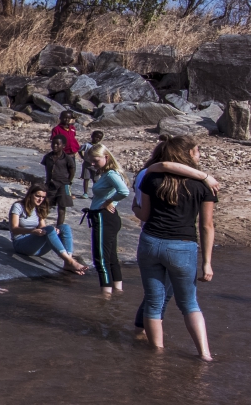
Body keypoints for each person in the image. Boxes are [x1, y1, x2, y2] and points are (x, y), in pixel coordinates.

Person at [133, 135, 218, 361]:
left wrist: (134, 207)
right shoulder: (203, 185)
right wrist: (207, 262)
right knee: (189, 303)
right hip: (181, 247)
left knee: (153, 301)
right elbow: (207, 225)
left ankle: (156, 356)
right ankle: (205, 354)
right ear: (189, 154)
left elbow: (144, 215)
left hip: (150, 243)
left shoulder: (151, 179)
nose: (199, 154)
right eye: (198, 151)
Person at [8, 185, 87, 274]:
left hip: (37, 247)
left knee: (65, 227)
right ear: (30, 195)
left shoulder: (39, 207)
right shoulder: (18, 206)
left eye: (43, 197)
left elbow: (43, 228)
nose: (40, 199)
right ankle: (71, 261)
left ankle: (67, 262)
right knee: (49, 229)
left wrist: (54, 231)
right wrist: (32, 231)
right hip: (21, 244)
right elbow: (14, 229)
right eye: (38, 196)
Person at [86, 145, 130, 294]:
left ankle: (106, 296)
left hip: (103, 217)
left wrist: (109, 201)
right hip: (106, 217)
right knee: (111, 258)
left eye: (95, 160)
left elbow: (124, 191)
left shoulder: (111, 174)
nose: (92, 164)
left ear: (106, 157)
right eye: (90, 161)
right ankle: (118, 292)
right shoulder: (108, 173)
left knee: (101, 258)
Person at [42, 136, 77, 226]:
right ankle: (41, 225)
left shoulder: (67, 158)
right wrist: (47, 181)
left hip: (63, 185)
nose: (55, 146)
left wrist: (69, 182)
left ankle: (59, 227)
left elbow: (72, 170)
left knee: (62, 208)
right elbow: (47, 169)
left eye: (58, 144)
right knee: (46, 205)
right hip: (51, 185)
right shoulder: (48, 157)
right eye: (53, 144)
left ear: (63, 146)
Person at [79, 130, 106, 198]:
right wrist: (82, 157)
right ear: (92, 136)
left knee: (95, 180)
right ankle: (85, 193)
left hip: (96, 166)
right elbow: (79, 150)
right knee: (86, 178)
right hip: (87, 164)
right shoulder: (87, 145)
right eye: (95, 137)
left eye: (99, 138)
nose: (97, 139)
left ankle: (95, 193)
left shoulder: (100, 147)